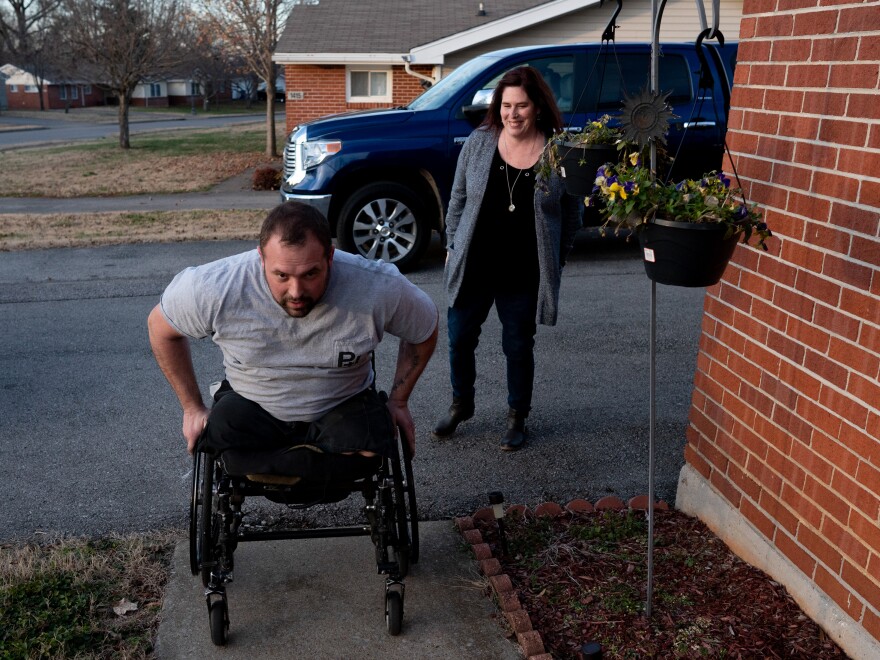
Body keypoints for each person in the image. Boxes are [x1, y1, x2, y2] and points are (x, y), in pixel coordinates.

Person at [148, 201, 438, 477]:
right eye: (282, 275)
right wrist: (192, 407)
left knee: (373, 442)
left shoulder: (376, 285)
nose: (296, 291)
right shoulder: (217, 286)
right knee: (220, 440)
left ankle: (285, 466)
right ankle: (306, 462)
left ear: (330, 257)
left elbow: (424, 328)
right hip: (252, 403)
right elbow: (160, 327)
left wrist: (399, 401)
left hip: (343, 403)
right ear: (261, 258)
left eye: (311, 273)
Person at [433, 66, 581, 451]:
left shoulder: (557, 150)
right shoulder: (479, 142)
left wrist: (557, 261)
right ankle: (461, 403)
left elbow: (571, 215)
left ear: (538, 107)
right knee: (460, 337)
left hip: (523, 269)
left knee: (517, 345)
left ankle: (517, 416)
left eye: (522, 106)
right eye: (505, 105)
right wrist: (452, 246)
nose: (512, 114)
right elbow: (459, 199)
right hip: (475, 261)